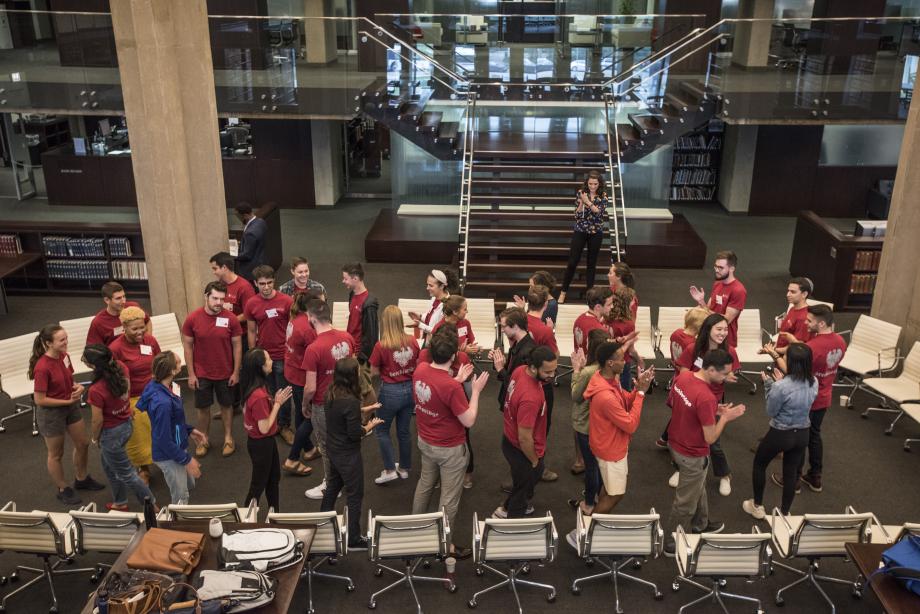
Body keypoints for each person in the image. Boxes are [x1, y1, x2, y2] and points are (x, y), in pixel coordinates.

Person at [567, 341, 655, 548]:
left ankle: (590, 526)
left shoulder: (604, 379)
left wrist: (636, 389)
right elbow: (630, 425)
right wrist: (641, 394)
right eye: (620, 358)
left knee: (609, 488)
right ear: (609, 363)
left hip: (607, 444)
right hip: (611, 450)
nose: (624, 362)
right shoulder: (605, 395)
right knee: (616, 493)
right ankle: (585, 531)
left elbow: (623, 400)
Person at [412, 327, 489, 559]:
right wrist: (474, 391)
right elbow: (468, 420)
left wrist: (456, 381)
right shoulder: (451, 387)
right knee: (449, 499)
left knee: (425, 484)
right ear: (455, 355)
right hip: (449, 449)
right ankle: (444, 546)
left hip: (425, 441)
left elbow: (437, 390)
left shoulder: (421, 370)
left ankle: (416, 530)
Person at [664, 350, 746, 556]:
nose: (727, 378)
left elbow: (678, 403)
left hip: (675, 442)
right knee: (685, 502)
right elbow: (710, 438)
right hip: (692, 453)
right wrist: (725, 417)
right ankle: (671, 542)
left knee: (697, 488)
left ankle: (701, 524)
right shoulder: (707, 396)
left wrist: (713, 410)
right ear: (710, 369)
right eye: (724, 374)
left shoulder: (684, 377)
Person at [763, 304, 846, 494]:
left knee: (798, 439)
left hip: (806, 399)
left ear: (822, 323)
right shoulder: (841, 341)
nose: (806, 323)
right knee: (815, 436)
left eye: (810, 321)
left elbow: (791, 372)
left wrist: (774, 354)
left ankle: (793, 480)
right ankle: (815, 477)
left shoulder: (813, 347)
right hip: (824, 396)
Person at [29, 324, 104, 505]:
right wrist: (66, 402)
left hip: (69, 406)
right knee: (56, 453)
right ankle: (63, 488)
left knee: (83, 443)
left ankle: (81, 478)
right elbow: (39, 399)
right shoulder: (42, 367)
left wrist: (78, 387)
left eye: (66, 338)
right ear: (48, 343)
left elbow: (69, 379)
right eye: (61, 340)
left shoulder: (64, 357)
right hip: (51, 413)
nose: (66, 342)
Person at [743, 343, 817, 520]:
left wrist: (769, 385)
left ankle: (758, 506)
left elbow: (771, 411)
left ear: (790, 361)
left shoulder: (781, 387)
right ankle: (785, 512)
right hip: (803, 433)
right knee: (791, 472)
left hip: (780, 434)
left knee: (760, 464)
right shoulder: (814, 381)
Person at [671, 313, 740, 496]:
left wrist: (727, 376)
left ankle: (725, 475)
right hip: (690, 399)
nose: (723, 333)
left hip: (711, 401)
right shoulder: (693, 349)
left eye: (726, 329)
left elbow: (731, 372)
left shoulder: (730, 351)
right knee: (681, 434)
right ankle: (680, 468)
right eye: (719, 329)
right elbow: (684, 373)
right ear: (707, 329)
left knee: (713, 443)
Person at [321, 356, 384, 550]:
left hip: (333, 449)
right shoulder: (349, 400)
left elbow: (344, 412)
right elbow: (354, 433)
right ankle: (354, 538)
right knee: (355, 494)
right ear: (352, 375)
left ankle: (322, 524)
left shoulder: (331, 393)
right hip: (348, 454)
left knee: (333, 487)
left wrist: (366, 408)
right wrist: (369, 425)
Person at [83, 344, 156, 512]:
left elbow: (97, 420)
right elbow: (127, 391)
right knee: (109, 465)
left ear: (93, 366)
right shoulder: (122, 367)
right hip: (126, 424)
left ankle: (153, 506)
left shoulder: (95, 389)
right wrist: (124, 409)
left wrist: (95, 437)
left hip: (111, 433)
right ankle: (120, 501)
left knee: (128, 474)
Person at [493, 346, 558, 519]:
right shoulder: (530, 398)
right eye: (548, 372)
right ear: (534, 368)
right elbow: (524, 437)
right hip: (523, 450)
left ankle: (509, 507)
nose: (552, 375)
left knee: (521, 484)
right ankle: (510, 516)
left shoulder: (520, 370)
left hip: (509, 440)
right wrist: (535, 461)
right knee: (522, 489)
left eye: (554, 370)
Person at [301, 300, 356, 500]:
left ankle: (331, 485)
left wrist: (304, 404)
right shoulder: (348, 338)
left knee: (326, 446)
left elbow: (311, 387)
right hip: (347, 401)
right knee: (346, 443)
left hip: (324, 406)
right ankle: (346, 480)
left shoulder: (313, 349)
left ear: (312, 319)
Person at [182, 281, 243, 459]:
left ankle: (228, 438)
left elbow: (237, 346)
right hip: (202, 373)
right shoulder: (193, 319)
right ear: (206, 296)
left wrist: (236, 372)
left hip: (225, 372)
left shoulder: (231, 318)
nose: (218, 303)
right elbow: (187, 347)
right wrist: (191, 374)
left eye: (222, 299)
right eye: (215, 298)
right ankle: (204, 439)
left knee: (227, 406)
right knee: (203, 408)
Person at [137, 351, 205, 505]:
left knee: (189, 484)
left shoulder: (161, 385)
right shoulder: (163, 404)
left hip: (176, 445)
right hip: (168, 455)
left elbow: (173, 421)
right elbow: (164, 440)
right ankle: (176, 524)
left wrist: (188, 430)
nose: (181, 361)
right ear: (172, 371)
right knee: (181, 498)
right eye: (178, 361)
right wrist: (187, 460)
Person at [109, 306, 161, 484]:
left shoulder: (150, 341)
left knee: (162, 429)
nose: (141, 332)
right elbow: (114, 380)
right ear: (124, 328)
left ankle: (167, 461)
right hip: (133, 398)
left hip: (155, 392)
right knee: (138, 437)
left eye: (142, 327)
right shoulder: (115, 349)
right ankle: (143, 468)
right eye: (135, 329)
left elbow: (159, 365)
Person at [369, 305, 420, 484]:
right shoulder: (413, 341)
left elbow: (373, 372)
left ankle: (390, 469)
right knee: (404, 431)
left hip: (390, 392)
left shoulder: (381, 345)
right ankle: (404, 469)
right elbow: (418, 362)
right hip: (410, 390)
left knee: (382, 430)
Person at [244, 265, 294, 439]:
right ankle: (270, 422)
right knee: (266, 392)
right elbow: (251, 331)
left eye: (269, 283)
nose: (266, 287)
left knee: (283, 391)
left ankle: (285, 425)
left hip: (282, 355)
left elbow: (293, 327)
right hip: (263, 357)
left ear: (274, 281)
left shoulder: (287, 301)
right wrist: (252, 353)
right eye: (262, 284)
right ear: (255, 283)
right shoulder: (251, 304)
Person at [240, 348, 292, 513]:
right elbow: (264, 428)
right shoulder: (259, 396)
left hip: (261, 443)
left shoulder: (252, 387)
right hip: (262, 443)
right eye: (268, 359)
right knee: (258, 485)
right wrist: (277, 404)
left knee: (273, 478)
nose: (272, 361)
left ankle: (274, 513)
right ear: (261, 367)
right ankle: (244, 519)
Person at [655, 306, 710, 449]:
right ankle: (672, 440)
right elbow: (697, 367)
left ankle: (665, 439)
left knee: (678, 411)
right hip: (688, 380)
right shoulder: (693, 345)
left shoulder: (676, 333)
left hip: (677, 376)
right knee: (684, 413)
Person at [282, 290, 322, 476]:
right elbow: (318, 352)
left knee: (300, 412)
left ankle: (309, 449)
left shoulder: (295, 318)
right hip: (302, 376)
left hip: (291, 371)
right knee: (311, 416)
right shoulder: (307, 328)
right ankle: (292, 458)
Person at [560, 170, 609, 303]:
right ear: (587, 183)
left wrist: (588, 202)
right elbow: (576, 215)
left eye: (595, 184)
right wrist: (582, 202)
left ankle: (590, 297)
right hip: (581, 229)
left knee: (591, 264)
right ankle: (563, 291)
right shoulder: (581, 193)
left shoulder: (603, 196)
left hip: (596, 232)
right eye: (590, 183)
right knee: (572, 262)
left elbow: (598, 213)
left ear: (599, 184)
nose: (593, 186)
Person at [689, 250, 746, 348]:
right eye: (715, 266)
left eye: (720, 268)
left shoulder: (739, 290)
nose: (716, 270)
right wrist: (701, 301)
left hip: (724, 340)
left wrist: (703, 307)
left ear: (731, 269)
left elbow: (725, 320)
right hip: (708, 336)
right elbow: (709, 310)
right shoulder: (718, 283)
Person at [86, 281, 151, 346]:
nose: (123, 301)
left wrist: (146, 341)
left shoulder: (133, 307)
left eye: (124, 296)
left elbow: (147, 321)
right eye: (118, 298)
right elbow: (93, 348)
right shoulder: (98, 322)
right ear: (107, 300)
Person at [607, 286, 644, 391]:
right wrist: (639, 360)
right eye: (633, 299)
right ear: (629, 302)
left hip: (606, 360)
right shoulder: (628, 324)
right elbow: (631, 351)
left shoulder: (606, 317)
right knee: (622, 394)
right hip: (621, 363)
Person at [341, 262, 379, 362]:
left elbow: (371, 336)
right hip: (350, 349)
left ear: (355, 279)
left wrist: (361, 357)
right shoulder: (352, 295)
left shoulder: (369, 304)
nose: (343, 281)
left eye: (345, 278)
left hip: (360, 355)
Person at [209, 251, 256, 324]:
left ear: (224, 267)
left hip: (239, 333)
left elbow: (249, 313)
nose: (214, 272)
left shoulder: (244, 287)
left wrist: (227, 322)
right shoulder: (218, 285)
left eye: (215, 269)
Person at [408, 269, 454, 342]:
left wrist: (419, 325)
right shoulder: (434, 298)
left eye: (431, 285)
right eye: (427, 284)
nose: (427, 288)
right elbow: (431, 317)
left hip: (438, 345)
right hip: (428, 340)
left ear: (442, 286)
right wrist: (420, 316)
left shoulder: (448, 305)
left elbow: (437, 331)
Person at [770, 277, 815, 354]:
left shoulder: (804, 318)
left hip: (789, 359)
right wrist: (774, 348)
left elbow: (798, 347)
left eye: (793, 292)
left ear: (804, 294)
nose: (788, 294)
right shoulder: (792, 308)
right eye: (788, 291)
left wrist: (773, 351)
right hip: (780, 355)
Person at [573, 287, 614, 356]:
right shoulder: (599, 330)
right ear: (598, 307)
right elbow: (605, 356)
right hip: (593, 365)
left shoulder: (579, 319)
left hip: (580, 363)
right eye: (609, 304)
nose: (612, 307)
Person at [234, 203, 267, 281]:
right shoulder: (261, 222)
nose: (238, 218)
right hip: (261, 261)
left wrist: (233, 256)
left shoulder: (250, 233)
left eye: (238, 216)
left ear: (245, 215)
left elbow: (247, 255)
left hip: (250, 270)